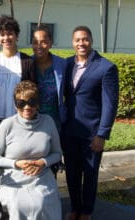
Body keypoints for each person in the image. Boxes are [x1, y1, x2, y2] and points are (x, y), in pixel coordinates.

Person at [62, 25, 119, 220]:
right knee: (71, 174)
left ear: (91, 40)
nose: (81, 43)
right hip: (69, 132)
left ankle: (87, 211)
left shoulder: (106, 67)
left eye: (85, 39)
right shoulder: (67, 64)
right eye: (77, 40)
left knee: (90, 174)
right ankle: (75, 208)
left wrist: (102, 134)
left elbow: (110, 104)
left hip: (92, 134)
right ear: (72, 42)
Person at [0, 80, 62, 220]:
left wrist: (43, 162)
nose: (27, 107)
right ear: (15, 105)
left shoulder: (48, 122)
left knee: (42, 203)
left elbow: (57, 153)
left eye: (32, 102)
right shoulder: (7, 125)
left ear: (38, 104)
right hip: (13, 175)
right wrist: (16, 163)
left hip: (41, 175)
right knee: (17, 204)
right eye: (21, 103)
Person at [0, 15, 35, 135]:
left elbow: (32, 95)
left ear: (16, 36)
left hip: (21, 123)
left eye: (10, 33)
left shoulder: (27, 62)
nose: (6, 38)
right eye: (2, 34)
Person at [32, 25, 67, 177]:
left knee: (52, 160)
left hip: (55, 121)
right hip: (34, 121)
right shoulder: (27, 63)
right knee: (34, 159)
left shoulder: (62, 64)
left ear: (51, 43)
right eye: (35, 42)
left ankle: (51, 197)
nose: (39, 46)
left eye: (44, 41)